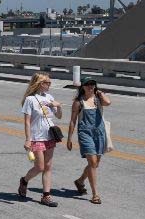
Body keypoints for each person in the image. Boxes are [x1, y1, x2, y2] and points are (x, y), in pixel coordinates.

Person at [18, 73, 61, 207]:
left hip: (49, 136)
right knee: (40, 167)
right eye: (47, 82)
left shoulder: (49, 97)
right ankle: (24, 180)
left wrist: (58, 106)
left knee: (48, 167)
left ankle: (46, 196)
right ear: (39, 83)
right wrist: (28, 139)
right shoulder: (30, 100)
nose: (49, 84)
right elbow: (27, 122)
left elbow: (58, 116)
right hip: (37, 137)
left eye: (49, 82)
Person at [67, 78, 111, 204]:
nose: (91, 86)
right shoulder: (78, 102)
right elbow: (72, 121)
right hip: (85, 133)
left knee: (95, 163)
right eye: (88, 84)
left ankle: (80, 181)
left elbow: (108, 102)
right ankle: (95, 194)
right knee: (92, 162)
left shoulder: (98, 99)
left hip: (100, 133)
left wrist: (101, 93)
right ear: (83, 87)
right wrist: (69, 138)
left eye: (93, 84)